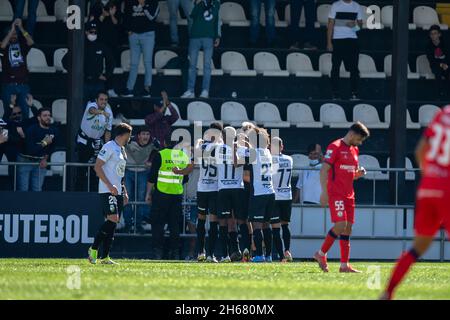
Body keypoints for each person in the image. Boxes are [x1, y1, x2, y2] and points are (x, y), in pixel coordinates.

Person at [380, 105, 450, 300]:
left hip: (428, 186)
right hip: (448, 188)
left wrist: (434, 177)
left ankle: (388, 292)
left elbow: (420, 151)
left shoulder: (443, 113)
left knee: (418, 246)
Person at [313, 122, 369, 273]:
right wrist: (324, 192)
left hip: (349, 195)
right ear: (352, 134)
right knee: (340, 225)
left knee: (348, 228)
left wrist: (359, 174)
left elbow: (351, 174)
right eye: (359, 139)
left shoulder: (355, 149)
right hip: (336, 193)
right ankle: (321, 253)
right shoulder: (335, 146)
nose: (360, 142)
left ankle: (344, 265)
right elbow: (323, 171)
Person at [88, 122, 133, 265]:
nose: (129, 137)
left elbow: (120, 173)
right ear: (122, 134)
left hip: (118, 190)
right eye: (129, 134)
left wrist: (123, 190)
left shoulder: (123, 150)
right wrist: (109, 185)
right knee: (113, 218)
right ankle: (93, 248)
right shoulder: (108, 147)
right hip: (107, 190)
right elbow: (97, 167)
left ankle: (105, 257)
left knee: (113, 223)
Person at [145, 135, 193, 260]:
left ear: (165, 143)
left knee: (158, 224)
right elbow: (185, 178)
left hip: (161, 194)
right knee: (174, 226)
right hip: (176, 195)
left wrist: (148, 194)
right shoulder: (183, 157)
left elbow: (152, 177)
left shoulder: (161, 154)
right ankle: (175, 253)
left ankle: (158, 253)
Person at [244, 128, 278, 263]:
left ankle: (259, 255)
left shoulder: (254, 153)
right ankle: (268, 255)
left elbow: (239, 155)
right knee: (266, 225)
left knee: (257, 225)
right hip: (270, 192)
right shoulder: (268, 152)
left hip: (259, 193)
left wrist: (242, 144)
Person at [215, 126, 247, 262]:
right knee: (234, 221)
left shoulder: (217, 149)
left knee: (229, 222)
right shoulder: (241, 149)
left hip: (228, 188)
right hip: (233, 188)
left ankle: (230, 253)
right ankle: (235, 252)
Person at [180, 0, 221, 99]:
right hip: (195, 36)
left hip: (209, 37)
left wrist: (217, 36)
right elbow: (192, 15)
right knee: (192, 65)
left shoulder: (216, 3)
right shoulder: (199, 3)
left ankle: (205, 90)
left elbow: (216, 20)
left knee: (207, 65)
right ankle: (190, 90)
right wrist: (197, 4)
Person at [195, 123, 223, 263]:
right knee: (212, 222)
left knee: (202, 220)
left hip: (203, 189)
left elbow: (194, 160)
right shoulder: (221, 148)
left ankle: (201, 252)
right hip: (214, 189)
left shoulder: (201, 147)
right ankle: (210, 255)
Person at [76, 91, 113, 191]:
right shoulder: (91, 105)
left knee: (96, 169)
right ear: (96, 100)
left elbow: (108, 131)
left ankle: (94, 192)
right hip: (83, 141)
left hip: (97, 143)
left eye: (105, 100)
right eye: (101, 99)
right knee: (82, 168)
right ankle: (79, 193)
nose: (103, 102)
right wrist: (102, 112)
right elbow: (92, 111)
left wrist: (107, 147)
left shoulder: (109, 113)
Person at [122, 0, 160, 98]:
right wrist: (127, 30)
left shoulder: (153, 2)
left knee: (147, 62)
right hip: (134, 34)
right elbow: (126, 15)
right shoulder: (130, 2)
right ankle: (129, 89)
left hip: (148, 34)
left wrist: (143, 5)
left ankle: (147, 89)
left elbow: (152, 17)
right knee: (134, 63)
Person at [328, 0, 363, 100]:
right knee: (335, 67)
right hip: (338, 40)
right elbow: (330, 25)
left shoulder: (357, 6)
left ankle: (354, 93)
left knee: (354, 69)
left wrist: (354, 26)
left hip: (352, 40)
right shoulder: (336, 5)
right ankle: (335, 93)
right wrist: (329, 42)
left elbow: (359, 27)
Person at [123, 126, 155, 233]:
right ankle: (127, 225)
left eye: (147, 134)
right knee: (127, 198)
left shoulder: (154, 143)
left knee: (141, 199)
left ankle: (138, 225)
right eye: (143, 134)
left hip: (143, 172)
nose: (146, 136)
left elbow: (161, 152)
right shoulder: (129, 141)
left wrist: (152, 162)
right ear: (139, 135)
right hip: (128, 171)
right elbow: (117, 145)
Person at [17, 108, 58, 192]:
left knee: (37, 190)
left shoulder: (53, 130)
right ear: (39, 118)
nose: (48, 117)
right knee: (23, 190)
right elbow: (30, 149)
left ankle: (35, 206)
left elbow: (52, 147)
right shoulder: (31, 130)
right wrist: (44, 143)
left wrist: (45, 158)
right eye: (45, 115)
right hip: (25, 160)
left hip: (40, 162)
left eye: (49, 115)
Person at [1, 19, 34, 120]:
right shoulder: (4, 46)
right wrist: (11, 31)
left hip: (23, 84)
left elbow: (31, 41)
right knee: (9, 112)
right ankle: (6, 136)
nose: (14, 36)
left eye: (15, 34)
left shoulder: (22, 45)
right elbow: (2, 46)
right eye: (12, 34)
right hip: (9, 85)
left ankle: (24, 135)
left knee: (25, 113)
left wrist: (21, 28)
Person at [270, 137, 294, 262]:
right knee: (285, 225)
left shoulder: (269, 160)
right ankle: (287, 250)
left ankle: (281, 256)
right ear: (282, 147)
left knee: (275, 228)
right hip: (287, 196)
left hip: (274, 196)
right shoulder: (289, 159)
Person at [84, 21, 116, 102]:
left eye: (95, 32)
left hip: (98, 83)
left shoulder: (101, 46)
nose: (93, 34)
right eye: (91, 31)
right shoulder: (80, 45)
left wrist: (106, 75)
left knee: (98, 110)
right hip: (83, 82)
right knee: (82, 109)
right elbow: (66, 61)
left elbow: (111, 61)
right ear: (86, 32)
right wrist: (77, 76)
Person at [426, 25, 450, 97]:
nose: (433, 35)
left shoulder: (445, 44)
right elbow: (431, 60)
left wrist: (446, 64)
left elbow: (448, 56)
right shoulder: (428, 46)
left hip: (446, 64)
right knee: (438, 71)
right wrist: (441, 64)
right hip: (436, 66)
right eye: (431, 34)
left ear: (439, 34)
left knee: (448, 72)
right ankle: (439, 94)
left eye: (435, 33)